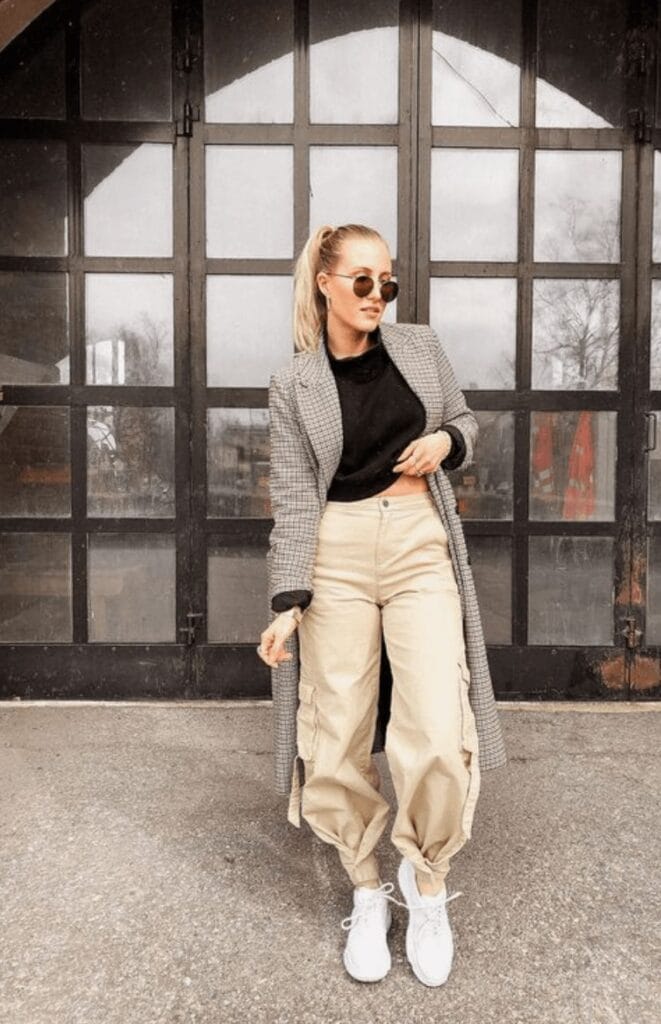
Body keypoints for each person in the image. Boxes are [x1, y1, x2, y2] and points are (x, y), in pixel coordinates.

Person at [257, 223, 506, 986]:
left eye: (386, 282)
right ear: (325, 284)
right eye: (361, 280)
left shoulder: (419, 348)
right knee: (335, 729)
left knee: (436, 723)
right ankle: (366, 887)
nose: (376, 295)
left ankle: (425, 882)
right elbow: (293, 497)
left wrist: (447, 444)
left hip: (418, 541)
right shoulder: (294, 383)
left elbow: (464, 421)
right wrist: (287, 601)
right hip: (334, 550)